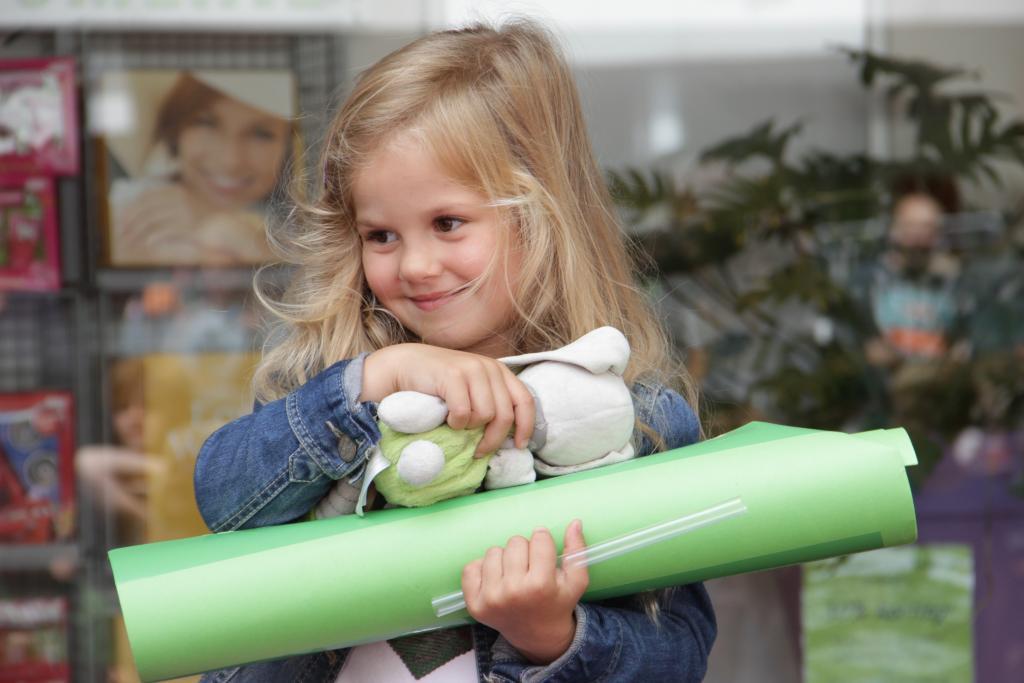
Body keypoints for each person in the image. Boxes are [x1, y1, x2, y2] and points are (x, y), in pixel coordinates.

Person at [194, 21, 714, 683]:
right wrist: (374, 378)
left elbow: (682, 653)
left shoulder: (638, 422)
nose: (415, 265)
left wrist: (553, 638)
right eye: (380, 235)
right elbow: (222, 497)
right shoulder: (335, 383)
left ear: (541, 215)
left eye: (448, 223)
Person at [105, 71, 295, 266]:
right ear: (176, 130)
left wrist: (235, 233)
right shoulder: (124, 212)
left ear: (289, 148)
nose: (230, 161)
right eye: (207, 124)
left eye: (260, 134)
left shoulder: (299, 227)